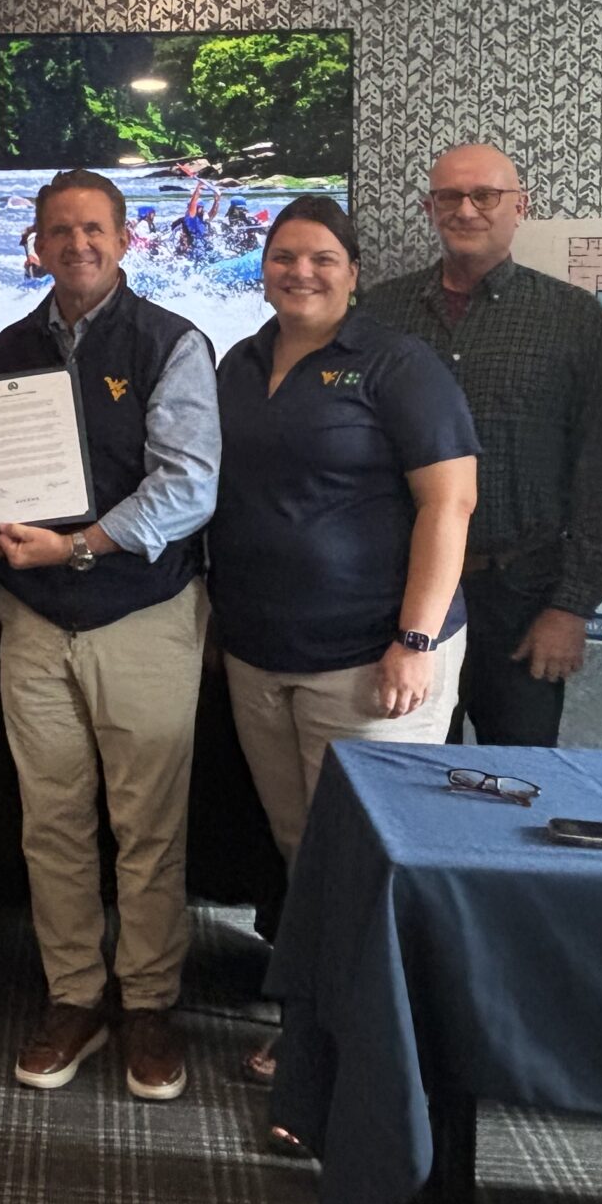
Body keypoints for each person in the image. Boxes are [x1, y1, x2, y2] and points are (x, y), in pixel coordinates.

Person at [209, 195, 478, 1117]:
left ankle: (376, 1064)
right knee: (303, 858)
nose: (301, 273)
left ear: (354, 270)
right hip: (258, 650)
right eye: (284, 257)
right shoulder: (238, 364)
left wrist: (412, 640)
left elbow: (450, 506)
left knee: (370, 864)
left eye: (322, 258)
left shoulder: (398, 366)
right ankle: (316, 1028)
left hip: (370, 660)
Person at [0, 168, 220, 1103]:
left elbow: (191, 485)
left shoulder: (171, 341)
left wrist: (79, 544)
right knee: (52, 822)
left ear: (125, 239)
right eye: (58, 231)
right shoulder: (11, 345)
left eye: (93, 229)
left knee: (146, 828)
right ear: (35, 244)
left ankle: (148, 1002)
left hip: (141, 614)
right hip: (34, 621)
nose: (76, 244)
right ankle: (75, 994)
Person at [356, 143, 602, 747]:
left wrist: (572, 608)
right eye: (449, 196)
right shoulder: (379, 314)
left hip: (525, 601)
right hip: (401, 602)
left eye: (485, 195)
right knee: (416, 777)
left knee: (521, 782)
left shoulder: (573, 319)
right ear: (430, 208)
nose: (466, 209)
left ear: (519, 206)